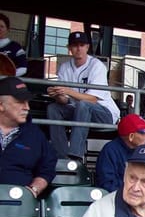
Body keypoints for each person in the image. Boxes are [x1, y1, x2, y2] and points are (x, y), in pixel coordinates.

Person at [46, 31, 120, 160]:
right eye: (75, 45)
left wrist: (67, 90)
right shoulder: (64, 67)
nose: (78, 48)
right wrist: (56, 94)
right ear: (69, 48)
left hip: (104, 114)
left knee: (84, 104)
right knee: (53, 108)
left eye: (82, 45)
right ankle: (61, 156)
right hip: (78, 112)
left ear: (87, 47)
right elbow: (64, 101)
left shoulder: (96, 65)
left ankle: (76, 156)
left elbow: (92, 99)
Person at [0, 76, 56, 196]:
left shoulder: (35, 135)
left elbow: (47, 169)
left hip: (18, 206)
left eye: (27, 102)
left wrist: (33, 190)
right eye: (20, 102)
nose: (27, 108)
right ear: (1, 105)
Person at [95, 114, 145, 192]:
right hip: (114, 198)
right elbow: (107, 184)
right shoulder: (110, 150)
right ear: (131, 136)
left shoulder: (144, 151)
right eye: (143, 133)